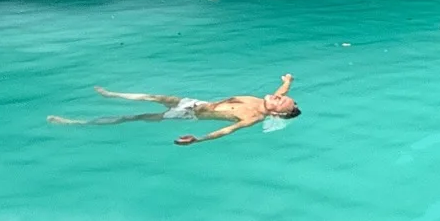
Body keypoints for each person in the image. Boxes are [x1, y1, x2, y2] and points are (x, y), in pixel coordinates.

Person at [48, 73, 300, 145]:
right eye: (278, 98)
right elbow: (282, 93)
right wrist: (286, 82)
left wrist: (198, 139)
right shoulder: (270, 101)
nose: (276, 98)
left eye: (279, 102)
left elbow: (227, 131)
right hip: (194, 102)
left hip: (188, 114)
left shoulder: (254, 115)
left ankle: (77, 123)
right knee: (154, 96)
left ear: (276, 113)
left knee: (134, 117)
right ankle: (112, 94)